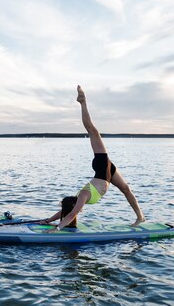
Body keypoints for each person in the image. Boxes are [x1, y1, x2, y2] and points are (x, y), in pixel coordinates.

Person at [44, 86, 145, 230]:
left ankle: (83, 102)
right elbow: (68, 212)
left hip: (102, 167)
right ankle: (140, 217)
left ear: (73, 204)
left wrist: (56, 228)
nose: (79, 209)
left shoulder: (83, 195)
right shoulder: (80, 198)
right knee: (126, 189)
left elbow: (71, 214)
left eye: (75, 207)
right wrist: (48, 220)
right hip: (107, 172)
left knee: (92, 130)